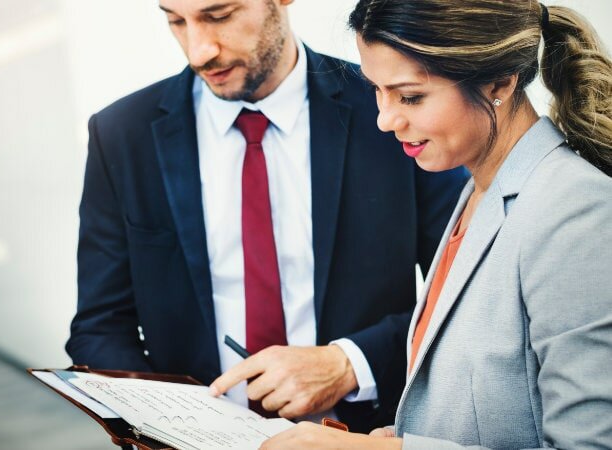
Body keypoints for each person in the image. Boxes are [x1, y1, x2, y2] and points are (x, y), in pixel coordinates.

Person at [65, 0, 467, 432]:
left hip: (366, 436)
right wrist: (166, 430)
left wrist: (350, 363)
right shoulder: (122, 135)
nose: (199, 51)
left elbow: (468, 297)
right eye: (176, 21)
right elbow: (99, 328)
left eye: (219, 16)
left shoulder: (392, 111)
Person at [261, 0, 612, 448]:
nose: (385, 120)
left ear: (499, 83)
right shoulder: (478, 190)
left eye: (410, 96)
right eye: (377, 90)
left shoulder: (577, 212)